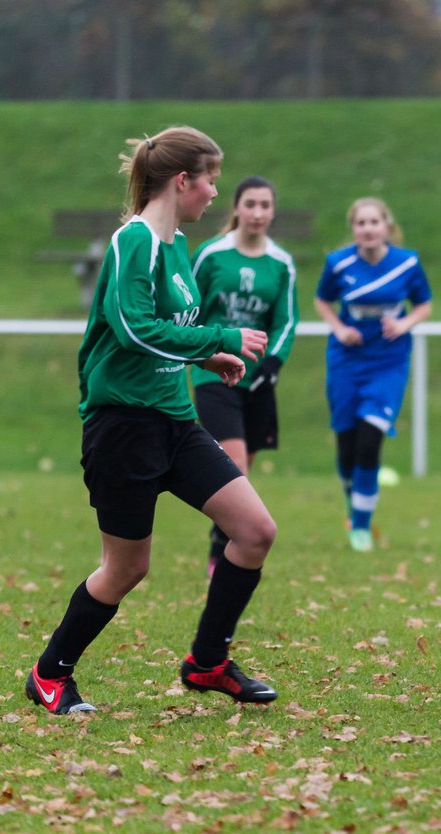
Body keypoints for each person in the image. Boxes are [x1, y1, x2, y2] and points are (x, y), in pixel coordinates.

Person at [25, 126, 280, 715]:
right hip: (123, 428)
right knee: (127, 568)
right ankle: (49, 673)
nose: (216, 192)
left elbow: (167, 330)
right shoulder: (132, 241)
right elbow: (134, 326)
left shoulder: (179, 249)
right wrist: (219, 335)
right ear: (183, 181)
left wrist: (205, 353)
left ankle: (208, 663)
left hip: (175, 421)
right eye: (211, 179)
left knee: (255, 531)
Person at [191, 176, 298, 577]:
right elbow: (188, 308)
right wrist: (202, 352)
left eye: (265, 205)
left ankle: (223, 539)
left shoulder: (281, 262)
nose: (257, 213)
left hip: (257, 380)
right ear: (236, 208)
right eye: (250, 204)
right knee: (234, 465)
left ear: (273, 211)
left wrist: (273, 363)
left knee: (243, 469)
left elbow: (287, 320)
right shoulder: (210, 255)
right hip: (214, 375)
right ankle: (221, 553)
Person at [313, 197, 432, 553]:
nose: (367, 229)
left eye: (373, 222)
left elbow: (424, 304)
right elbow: (322, 301)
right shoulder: (338, 263)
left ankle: (361, 527)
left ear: (386, 226)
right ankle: (355, 505)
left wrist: (404, 323)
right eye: (360, 223)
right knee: (347, 444)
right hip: (347, 359)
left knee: (369, 438)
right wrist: (337, 328)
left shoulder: (407, 262)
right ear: (353, 229)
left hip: (388, 361)